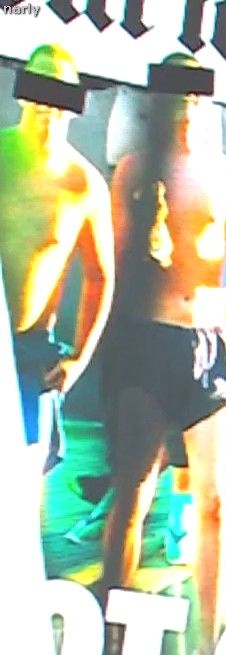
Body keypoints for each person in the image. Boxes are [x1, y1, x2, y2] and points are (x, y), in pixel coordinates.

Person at [98, 54, 226, 655]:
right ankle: (109, 623)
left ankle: (209, 635)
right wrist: (149, 245)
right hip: (147, 341)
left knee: (215, 500)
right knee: (135, 491)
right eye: (179, 98)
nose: (189, 109)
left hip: (207, 345)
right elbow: (113, 269)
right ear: (162, 105)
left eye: (197, 98)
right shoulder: (135, 170)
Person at [0, 45, 115, 486]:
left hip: (31, 353)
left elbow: (100, 276)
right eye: (39, 86)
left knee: (22, 483)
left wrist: (79, 359)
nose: (47, 102)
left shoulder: (84, 185)